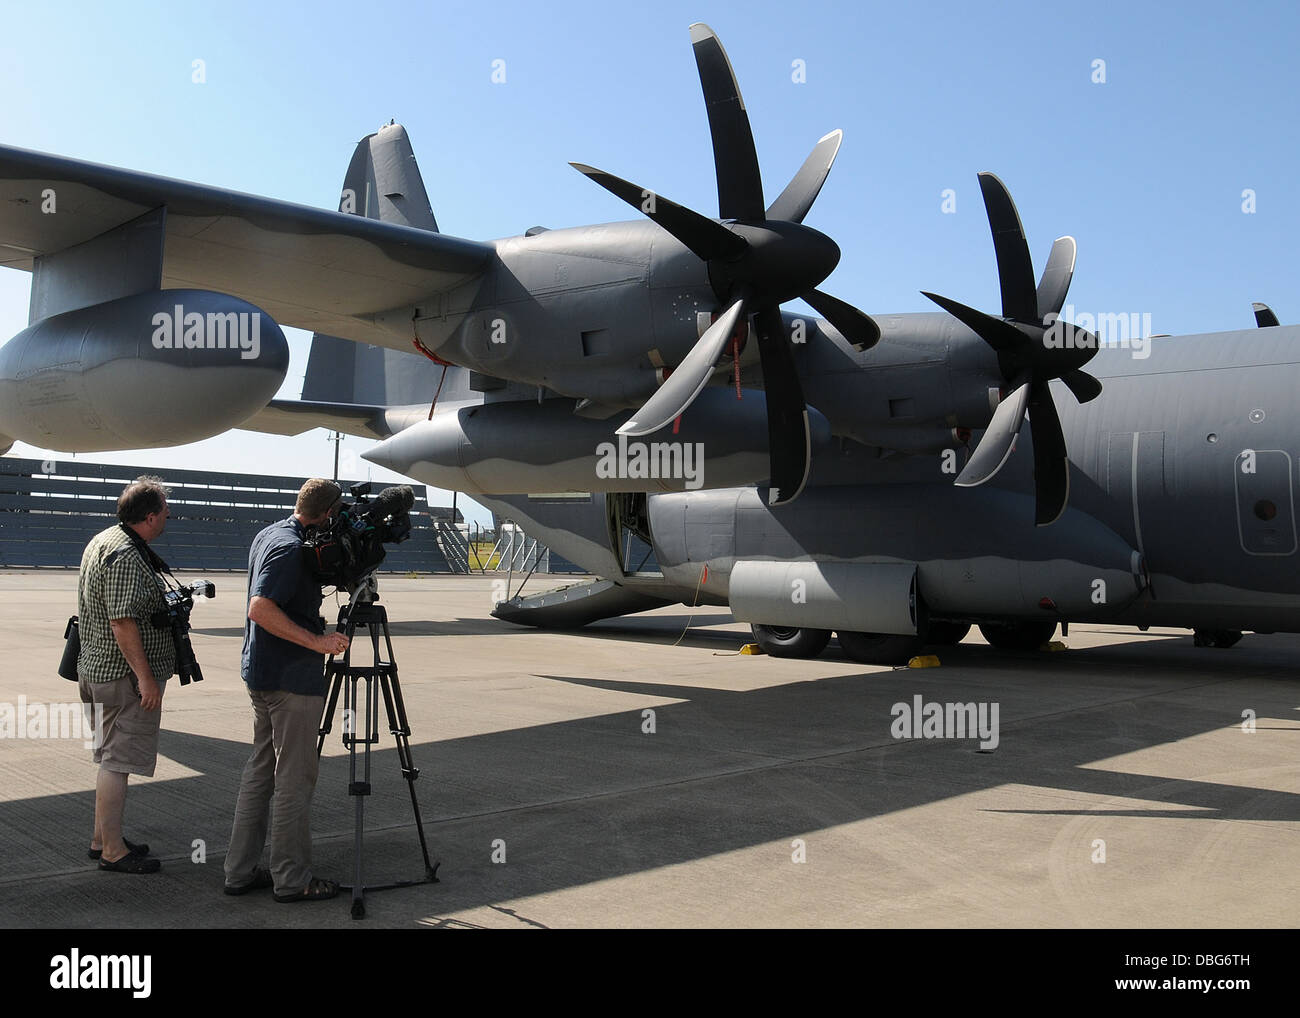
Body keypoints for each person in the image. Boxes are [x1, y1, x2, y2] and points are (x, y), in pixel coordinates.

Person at [224, 478, 350, 902]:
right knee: (293, 780)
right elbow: (260, 608)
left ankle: (239, 872)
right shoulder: (290, 548)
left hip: (262, 674)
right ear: (328, 514)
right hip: (290, 680)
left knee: (260, 771)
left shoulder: (269, 534)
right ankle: (293, 880)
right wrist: (318, 642)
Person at [77, 476, 175, 874]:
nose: (169, 519)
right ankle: (113, 852)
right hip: (121, 678)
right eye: (166, 514)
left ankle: (103, 838)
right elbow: (122, 622)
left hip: (97, 669)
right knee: (117, 763)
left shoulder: (103, 540)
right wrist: (147, 679)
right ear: (150, 518)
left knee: (107, 758)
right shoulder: (126, 555)